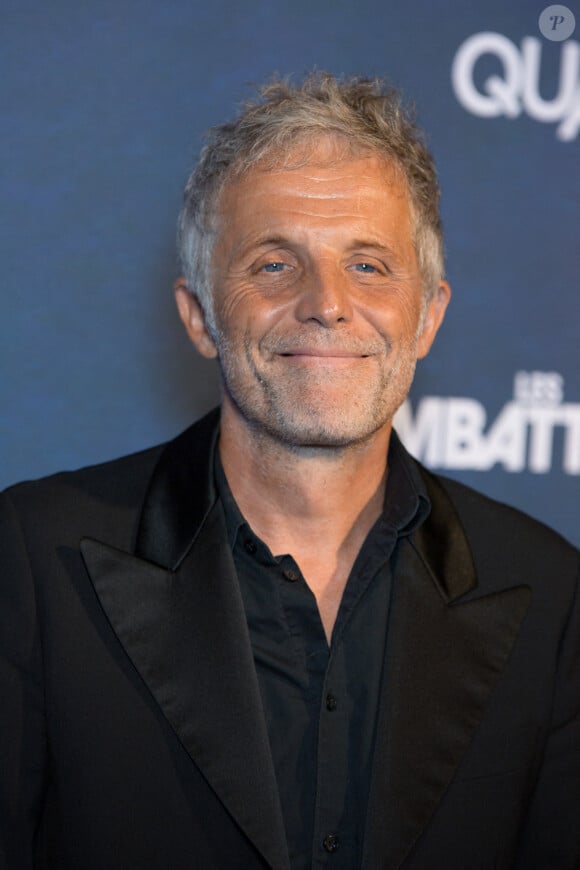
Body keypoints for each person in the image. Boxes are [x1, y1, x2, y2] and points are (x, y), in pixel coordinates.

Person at [1, 73, 578, 870]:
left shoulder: (549, 594)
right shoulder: (32, 561)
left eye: (370, 266)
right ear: (200, 316)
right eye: (275, 264)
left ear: (429, 316)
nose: (327, 304)